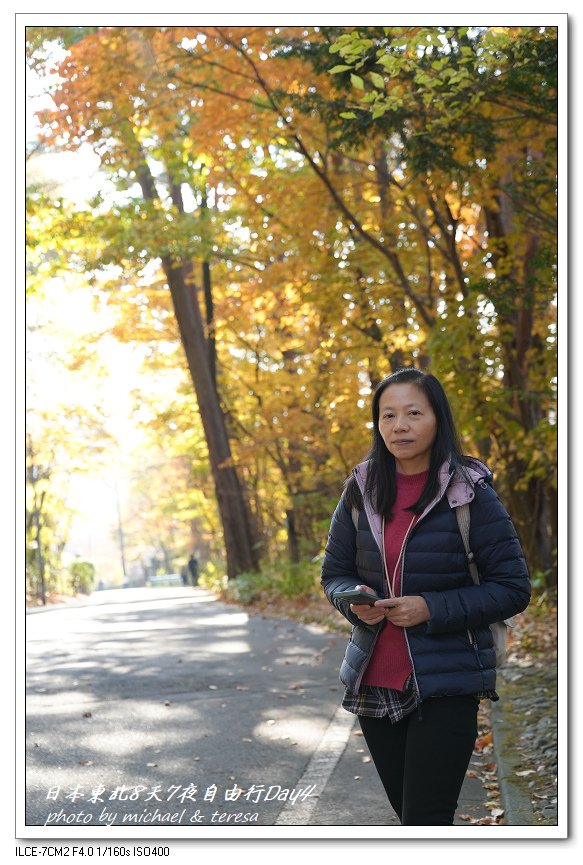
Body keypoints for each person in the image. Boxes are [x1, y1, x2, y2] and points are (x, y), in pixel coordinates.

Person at [321, 367, 530, 826]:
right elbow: (334, 573)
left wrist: (429, 608)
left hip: (447, 678)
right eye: (388, 415)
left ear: (438, 418)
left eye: (414, 413)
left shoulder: (469, 493)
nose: (400, 426)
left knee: (426, 820)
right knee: (410, 819)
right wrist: (351, 599)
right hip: (374, 677)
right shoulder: (361, 490)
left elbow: (513, 588)